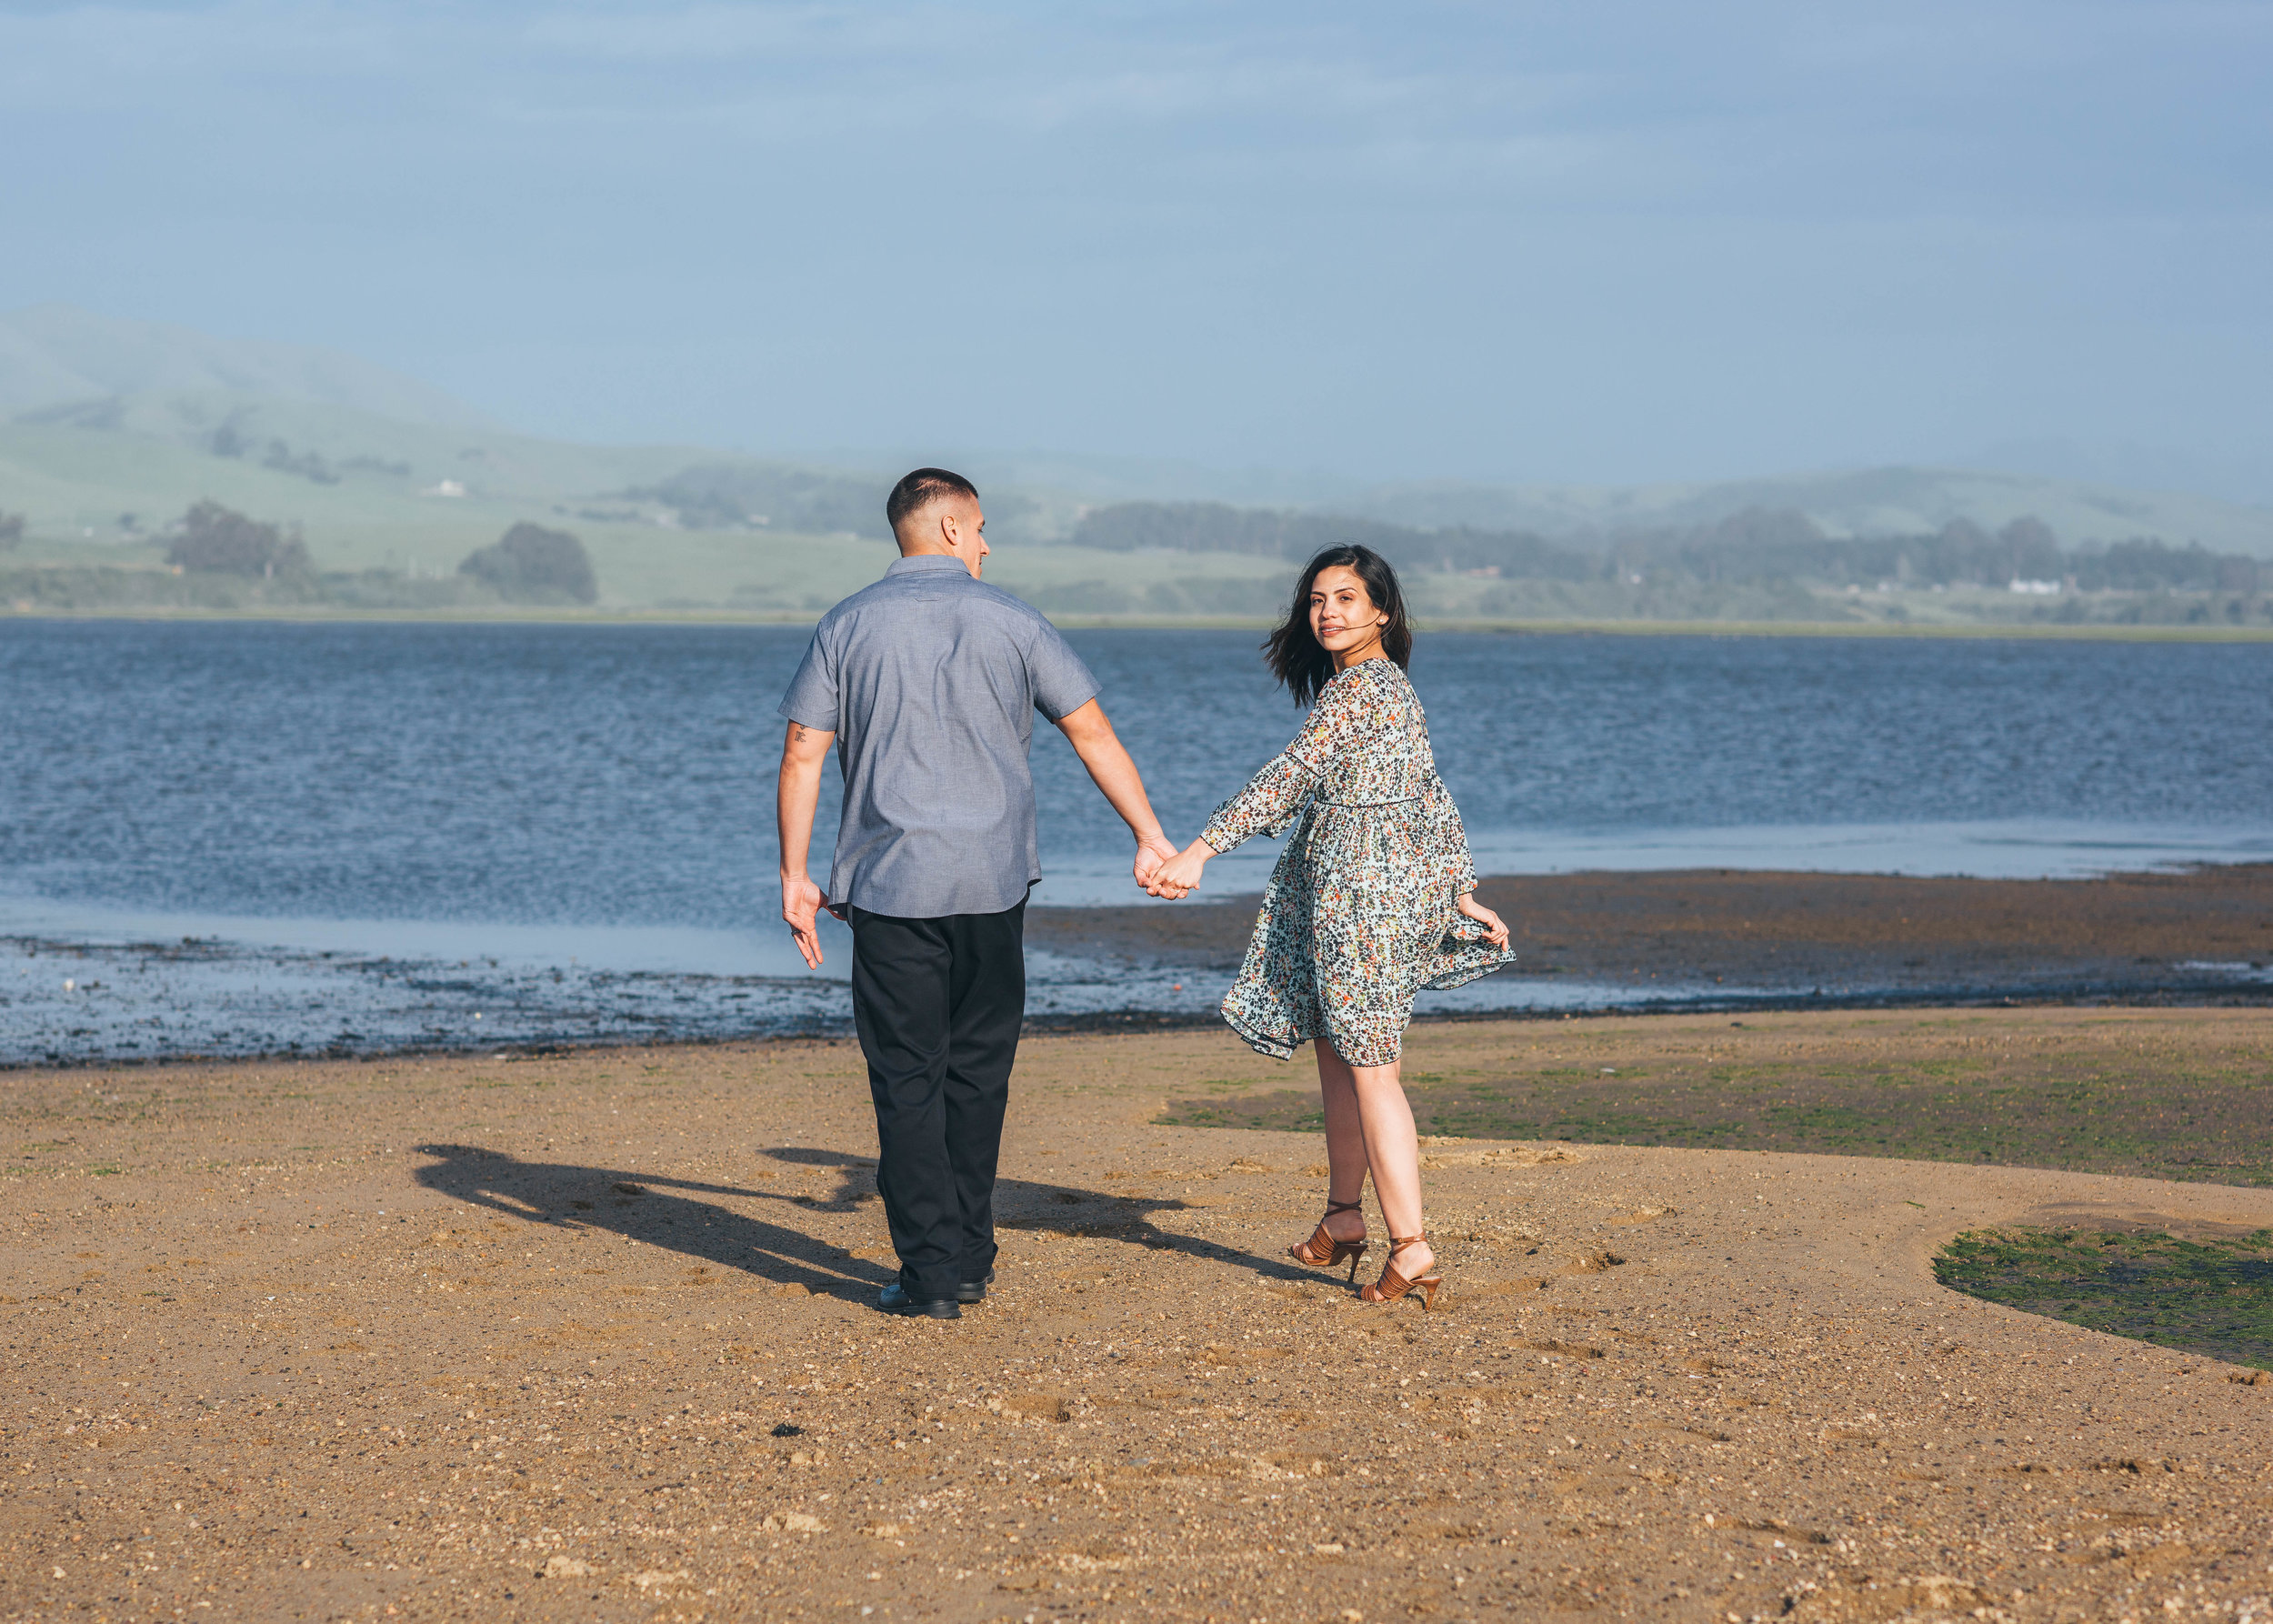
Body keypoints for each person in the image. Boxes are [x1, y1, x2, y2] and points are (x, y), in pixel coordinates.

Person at [776, 467, 1177, 1320]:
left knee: (907, 1082)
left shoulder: (845, 625)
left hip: (890, 890)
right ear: (951, 530)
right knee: (978, 1078)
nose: (989, 544)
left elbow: (802, 754)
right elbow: (1091, 731)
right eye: (984, 527)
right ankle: (968, 1259)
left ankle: (934, 1276)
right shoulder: (1014, 621)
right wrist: (1148, 834)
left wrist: (795, 874)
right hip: (992, 888)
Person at [1147, 545, 1512, 1308]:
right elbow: (1430, 792)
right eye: (1318, 600)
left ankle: (1412, 1247)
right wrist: (1460, 887)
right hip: (1349, 887)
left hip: (1365, 897)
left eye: (1346, 599)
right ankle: (1345, 1217)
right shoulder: (1382, 687)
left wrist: (1198, 852)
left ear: (1382, 610)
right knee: (1338, 1058)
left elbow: (1291, 776)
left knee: (1372, 1067)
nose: (1328, 614)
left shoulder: (1363, 691)